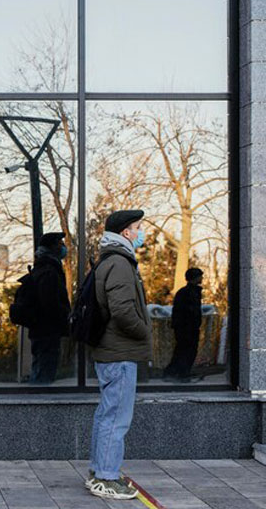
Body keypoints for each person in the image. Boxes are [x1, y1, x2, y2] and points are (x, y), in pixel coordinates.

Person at [87, 210, 152, 501]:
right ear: (126, 232)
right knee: (116, 418)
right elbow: (123, 311)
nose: (141, 233)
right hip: (120, 352)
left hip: (111, 351)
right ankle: (106, 478)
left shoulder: (109, 260)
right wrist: (144, 331)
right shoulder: (120, 263)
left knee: (107, 414)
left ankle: (99, 471)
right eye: (138, 228)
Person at [28, 232, 71, 385]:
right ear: (52, 247)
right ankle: (39, 396)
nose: (63, 247)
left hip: (42, 329)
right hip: (47, 330)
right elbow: (49, 302)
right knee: (44, 372)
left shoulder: (43, 268)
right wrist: (63, 315)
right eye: (59, 243)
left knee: (41, 367)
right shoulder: (49, 271)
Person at [165, 268, 204, 382]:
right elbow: (186, 311)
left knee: (185, 349)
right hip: (186, 327)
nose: (202, 278)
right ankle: (179, 372)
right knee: (186, 349)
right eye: (200, 276)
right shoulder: (188, 293)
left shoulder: (188, 292)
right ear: (195, 278)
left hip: (187, 327)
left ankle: (179, 371)